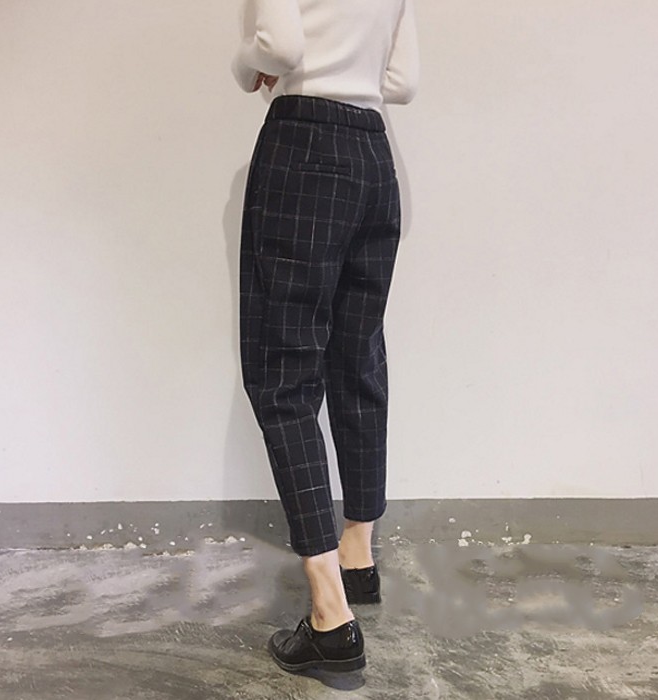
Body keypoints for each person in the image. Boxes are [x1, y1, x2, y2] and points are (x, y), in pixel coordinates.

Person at [232, 0, 419, 674]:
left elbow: (278, 46)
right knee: (356, 357)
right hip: (373, 153)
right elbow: (401, 81)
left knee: (283, 374)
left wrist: (245, 64)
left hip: (305, 144)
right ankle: (357, 553)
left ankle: (330, 614)